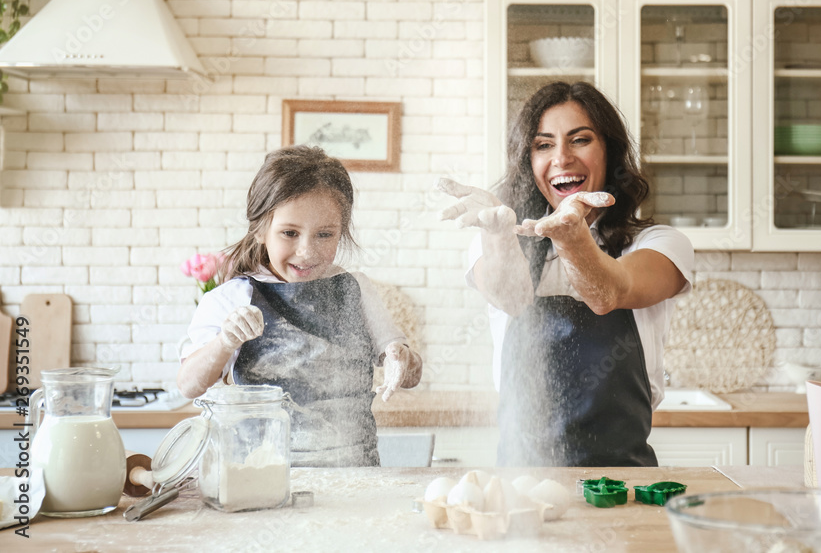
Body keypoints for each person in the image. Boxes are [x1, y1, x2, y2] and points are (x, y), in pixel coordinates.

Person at [439, 81, 693, 467]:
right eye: (543, 145)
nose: (561, 158)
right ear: (528, 161)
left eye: (580, 140)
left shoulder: (659, 244)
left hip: (622, 484)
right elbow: (513, 299)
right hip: (522, 484)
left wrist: (571, 236)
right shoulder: (498, 239)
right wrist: (498, 237)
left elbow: (609, 292)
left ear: (610, 152)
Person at [177, 145, 422, 467]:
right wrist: (225, 341)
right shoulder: (230, 298)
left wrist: (402, 358)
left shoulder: (356, 288)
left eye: (324, 234)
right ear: (260, 230)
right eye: (290, 233)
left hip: (353, 472)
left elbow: (410, 374)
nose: (307, 252)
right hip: (261, 473)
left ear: (341, 232)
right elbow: (188, 385)